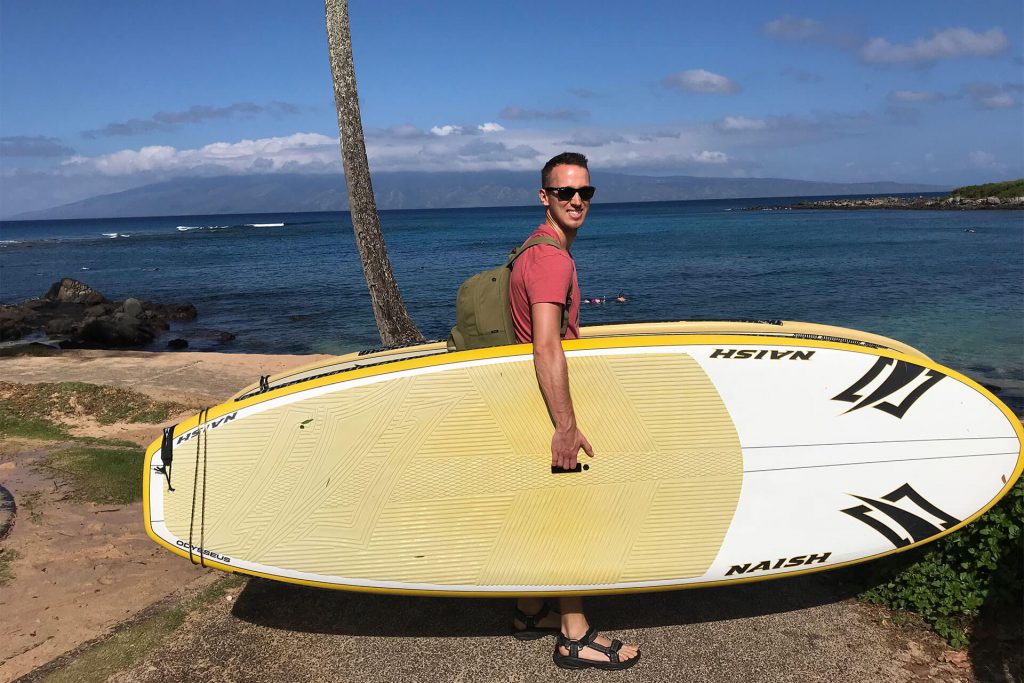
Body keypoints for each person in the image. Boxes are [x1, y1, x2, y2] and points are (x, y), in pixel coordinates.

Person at [507, 152, 641, 671]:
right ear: (545, 197)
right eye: (565, 192)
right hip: (545, 407)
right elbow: (546, 345)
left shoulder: (533, 247)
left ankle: (529, 610)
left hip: (525, 401)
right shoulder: (551, 258)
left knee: (553, 512)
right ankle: (574, 635)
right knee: (571, 517)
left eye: (585, 192)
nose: (577, 201)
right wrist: (566, 424)